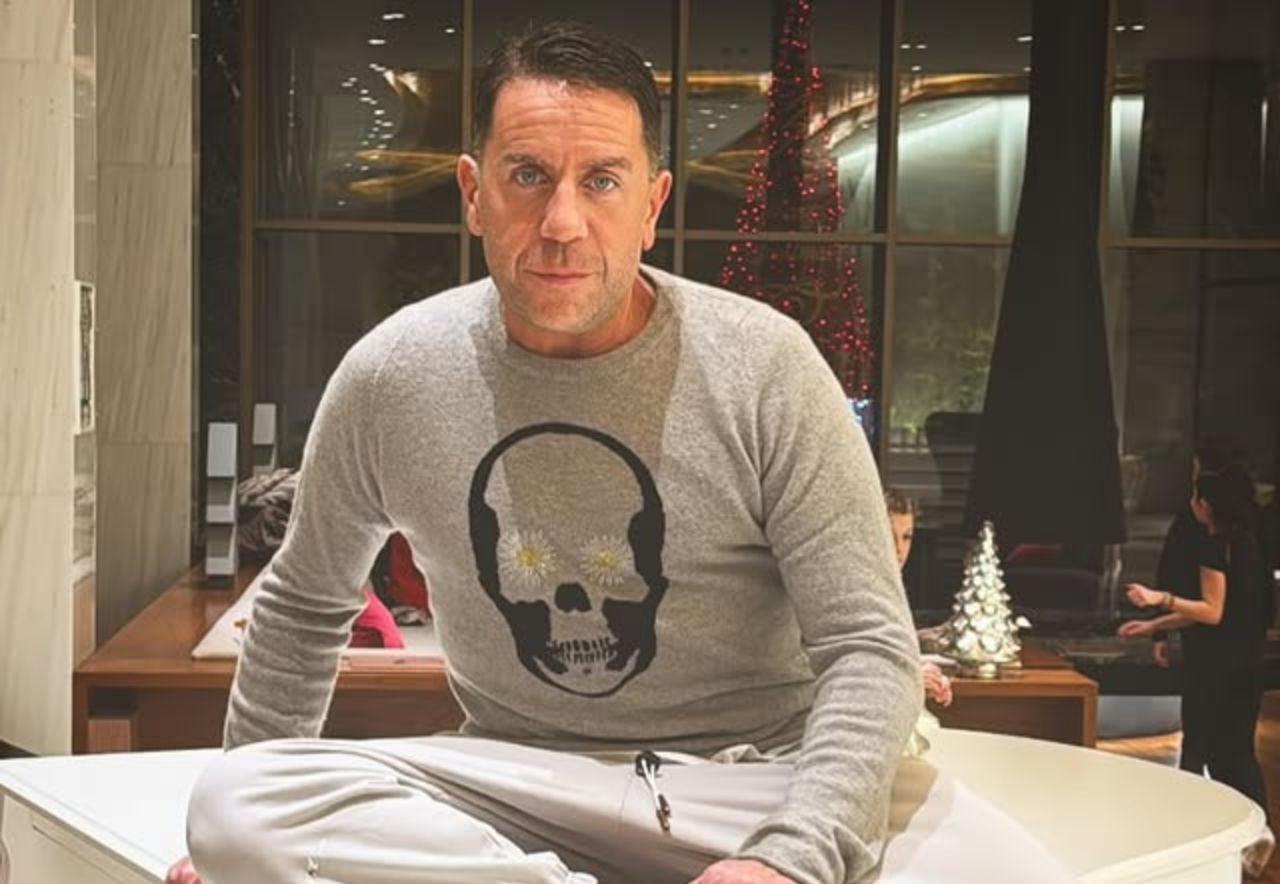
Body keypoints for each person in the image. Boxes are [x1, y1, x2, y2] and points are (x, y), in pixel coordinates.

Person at [169, 23, 1071, 884]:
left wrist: (790, 856)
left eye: (601, 180)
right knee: (239, 801)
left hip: (755, 778)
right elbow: (301, 608)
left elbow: (867, 644)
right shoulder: (391, 375)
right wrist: (231, 851)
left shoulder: (767, 366)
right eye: (528, 175)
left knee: (1016, 873)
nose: (562, 221)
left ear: (652, 204)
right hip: (517, 784)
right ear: (473, 193)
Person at [1119, 463, 1270, 818]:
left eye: (1194, 496)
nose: (1190, 503)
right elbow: (1214, 610)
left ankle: (1192, 818)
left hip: (1215, 666)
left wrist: (1159, 598)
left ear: (1206, 506)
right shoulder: (1246, 544)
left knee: (1203, 745)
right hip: (1246, 664)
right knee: (1236, 751)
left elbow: (1211, 611)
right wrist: (1153, 625)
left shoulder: (1213, 548)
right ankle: (1255, 825)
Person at [884, 488, 952, 707]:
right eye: (889, 536)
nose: (899, 549)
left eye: (906, 537)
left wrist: (925, 673)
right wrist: (912, 678)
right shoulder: (854, 589)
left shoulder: (893, 586)